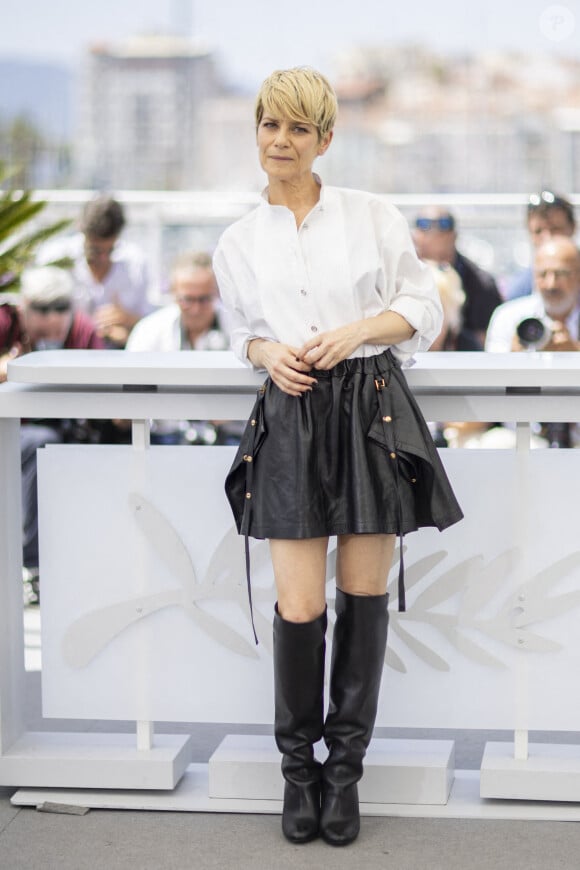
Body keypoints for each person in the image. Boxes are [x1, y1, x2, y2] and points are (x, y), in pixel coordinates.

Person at [213, 67, 463, 847]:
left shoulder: (370, 216)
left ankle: (342, 776)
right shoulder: (238, 241)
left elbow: (423, 306)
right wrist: (262, 348)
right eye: (269, 126)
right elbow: (239, 331)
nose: (280, 142)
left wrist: (357, 331)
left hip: (371, 407)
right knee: (299, 606)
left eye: (297, 129)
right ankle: (299, 773)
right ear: (256, 133)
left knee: (362, 597)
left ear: (325, 138)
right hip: (290, 412)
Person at [0, 266, 104, 603]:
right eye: (42, 309)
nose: (52, 317)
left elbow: (106, 382)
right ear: (24, 305)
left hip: (71, 428)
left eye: (61, 307)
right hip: (14, 427)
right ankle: (33, 564)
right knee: (39, 443)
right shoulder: (6, 323)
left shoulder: (83, 331)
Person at [127, 252, 240, 445]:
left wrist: (231, 409)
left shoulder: (240, 329)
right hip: (165, 436)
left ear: (216, 292)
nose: (195, 309)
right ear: (172, 293)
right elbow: (129, 391)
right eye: (187, 300)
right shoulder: (149, 331)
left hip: (229, 436)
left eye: (204, 299)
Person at [485, 235, 580, 447]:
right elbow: (490, 385)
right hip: (524, 432)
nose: (551, 283)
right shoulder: (509, 317)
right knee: (496, 444)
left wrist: (574, 354)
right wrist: (517, 358)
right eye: (542, 274)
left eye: (561, 273)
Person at [38, 195, 152, 348]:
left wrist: (127, 320)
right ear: (82, 233)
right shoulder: (56, 258)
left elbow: (151, 322)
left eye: (110, 250)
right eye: (95, 251)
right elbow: (36, 317)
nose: (103, 258)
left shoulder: (136, 263)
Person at [412, 207, 502, 350]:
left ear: (454, 235)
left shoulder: (481, 284)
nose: (434, 233)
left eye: (443, 225)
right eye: (424, 225)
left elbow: (487, 341)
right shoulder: (399, 279)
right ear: (414, 235)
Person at [504, 191, 576, 301]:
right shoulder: (520, 292)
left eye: (555, 229)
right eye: (538, 231)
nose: (547, 238)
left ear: (573, 228)